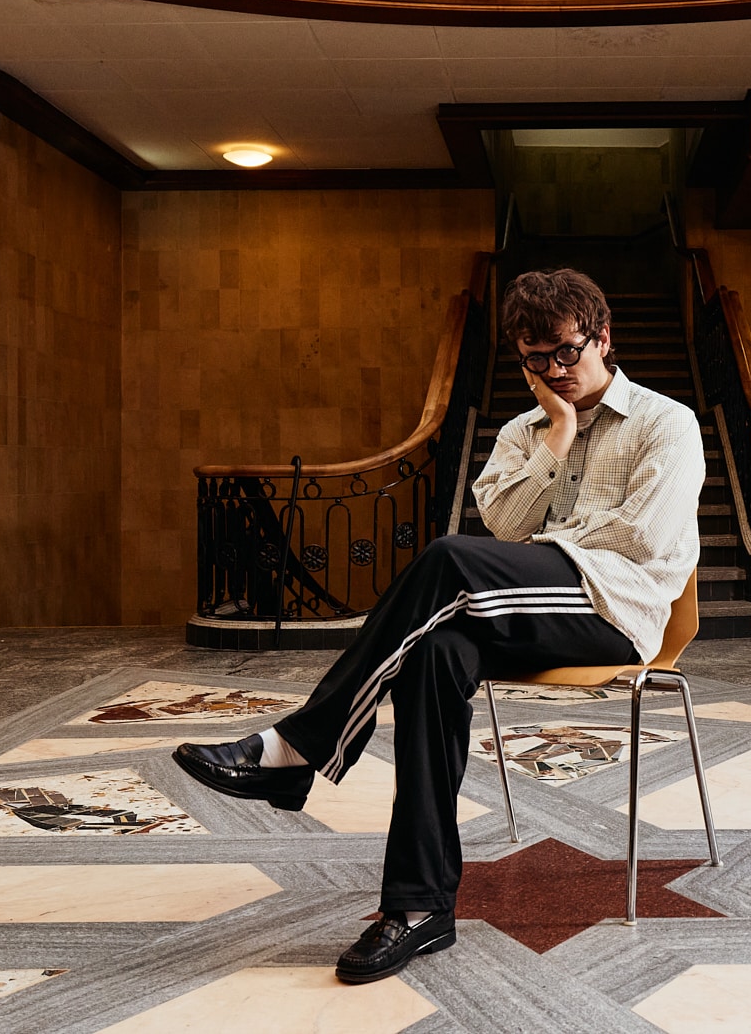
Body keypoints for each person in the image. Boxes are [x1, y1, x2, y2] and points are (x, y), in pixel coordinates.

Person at [173, 267, 706, 984]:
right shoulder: (525, 432)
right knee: (435, 654)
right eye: (536, 359)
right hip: (521, 607)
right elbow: (505, 525)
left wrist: (537, 551)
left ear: (603, 338)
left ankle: (298, 746)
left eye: (567, 351)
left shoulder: (667, 422)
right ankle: (419, 906)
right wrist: (559, 432)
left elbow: (642, 536)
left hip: (616, 613)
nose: (555, 370)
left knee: (452, 559)